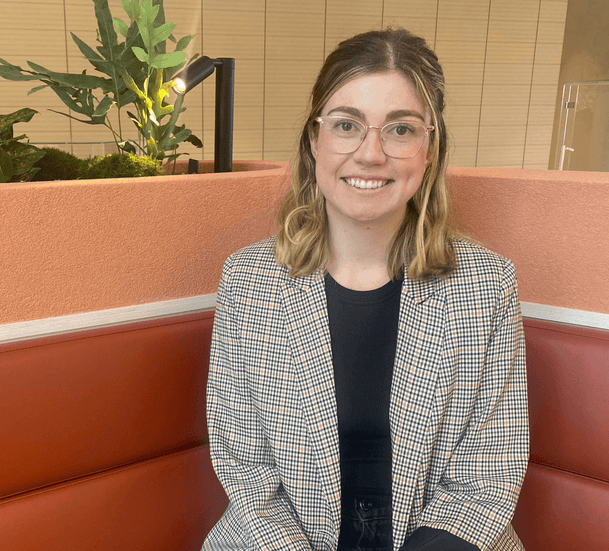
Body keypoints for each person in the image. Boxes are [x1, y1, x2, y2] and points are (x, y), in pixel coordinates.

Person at [202, 28, 528, 551]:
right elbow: (245, 468)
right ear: (314, 142)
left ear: (429, 148)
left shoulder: (487, 285)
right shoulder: (248, 281)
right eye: (346, 125)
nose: (370, 153)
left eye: (400, 129)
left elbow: (486, 477)